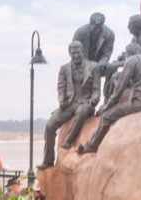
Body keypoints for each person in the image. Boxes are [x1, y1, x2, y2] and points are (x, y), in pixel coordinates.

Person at [78, 42, 141, 154]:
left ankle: (92, 146)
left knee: (107, 116)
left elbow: (119, 89)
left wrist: (107, 106)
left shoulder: (132, 60)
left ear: (129, 53)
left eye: (126, 55)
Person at [40, 40, 99, 168]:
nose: (76, 56)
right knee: (50, 125)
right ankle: (48, 160)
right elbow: (61, 87)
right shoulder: (64, 69)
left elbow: (96, 91)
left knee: (82, 112)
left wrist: (94, 99)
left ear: (82, 52)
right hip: (69, 104)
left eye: (78, 53)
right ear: (69, 54)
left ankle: (68, 141)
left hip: (85, 103)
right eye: (73, 53)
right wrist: (61, 100)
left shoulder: (93, 67)